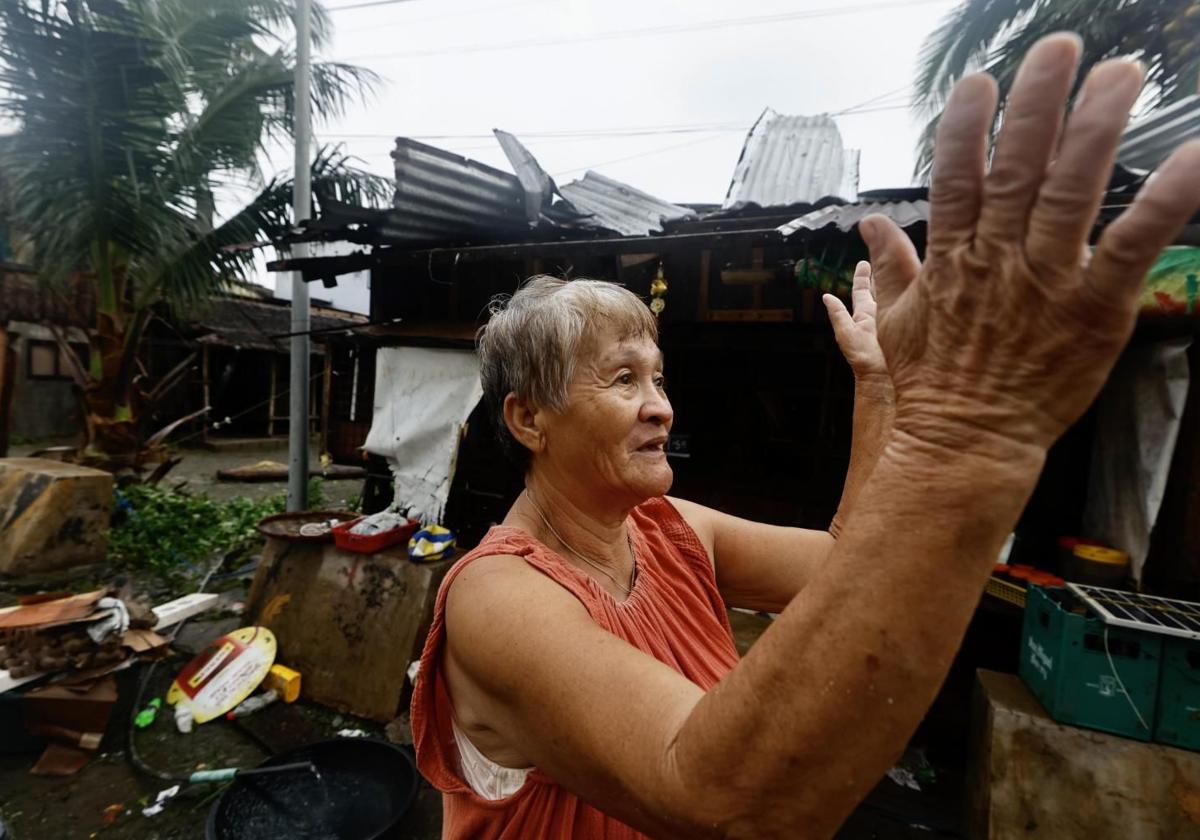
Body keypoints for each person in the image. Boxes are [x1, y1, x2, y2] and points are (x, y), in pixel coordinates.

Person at [410, 34, 1200, 839]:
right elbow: (722, 798)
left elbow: (849, 572)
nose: (661, 408)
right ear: (527, 418)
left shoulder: (675, 532)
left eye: (658, 378)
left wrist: (883, 390)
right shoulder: (496, 596)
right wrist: (964, 443)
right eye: (622, 380)